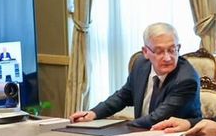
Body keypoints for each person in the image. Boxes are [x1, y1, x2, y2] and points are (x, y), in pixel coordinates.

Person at [70, 23, 201, 128]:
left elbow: (158, 118)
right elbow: (123, 96)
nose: (167, 58)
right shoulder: (140, 65)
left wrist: (120, 129)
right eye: (159, 51)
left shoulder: (186, 79)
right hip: (141, 134)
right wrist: (94, 113)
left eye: (172, 50)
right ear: (145, 52)